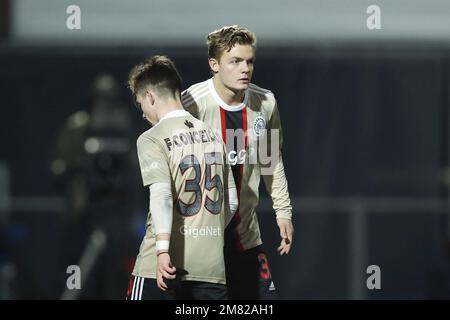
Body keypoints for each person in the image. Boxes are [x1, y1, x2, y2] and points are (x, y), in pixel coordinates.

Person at [182, 25, 294, 299]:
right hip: (201, 239)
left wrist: (283, 211)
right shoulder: (192, 104)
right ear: (214, 65)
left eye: (250, 61)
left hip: (245, 236)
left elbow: (271, 160)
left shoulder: (265, 103)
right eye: (235, 61)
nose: (245, 68)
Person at [126, 55, 238, 300]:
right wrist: (205, 231)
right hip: (211, 270)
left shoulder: (152, 137)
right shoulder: (214, 136)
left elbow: (162, 195)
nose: (144, 114)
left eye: (140, 104)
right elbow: (231, 203)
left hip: (162, 269)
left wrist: (163, 250)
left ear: (150, 97)